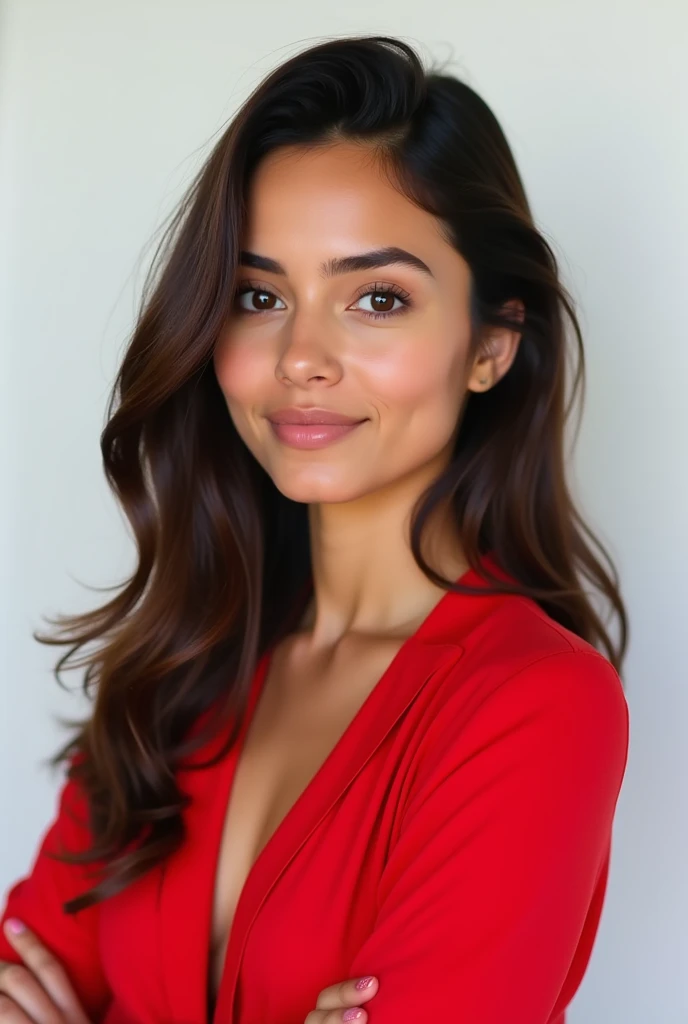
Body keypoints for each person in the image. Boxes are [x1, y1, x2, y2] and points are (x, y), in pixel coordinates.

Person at [0, 33, 630, 1024]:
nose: (301, 355)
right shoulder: (180, 663)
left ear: (490, 347)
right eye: (259, 295)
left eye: (376, 298)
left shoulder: (536, 705)